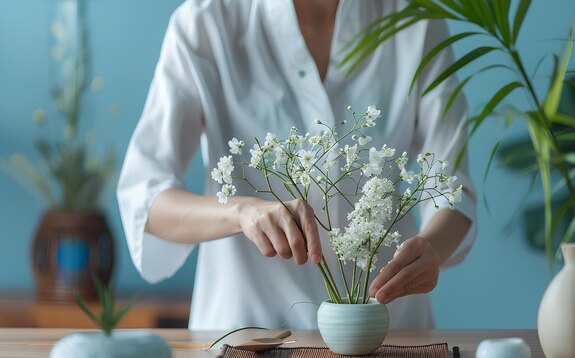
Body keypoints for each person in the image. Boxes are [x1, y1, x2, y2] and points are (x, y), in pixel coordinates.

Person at [117, 0, 477, 330]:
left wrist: (430, 249)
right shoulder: (205, 24)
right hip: (248, 332)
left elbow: (452, 186)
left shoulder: (413, 20)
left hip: (388, 331)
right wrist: (242, 212)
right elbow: (146, 200)